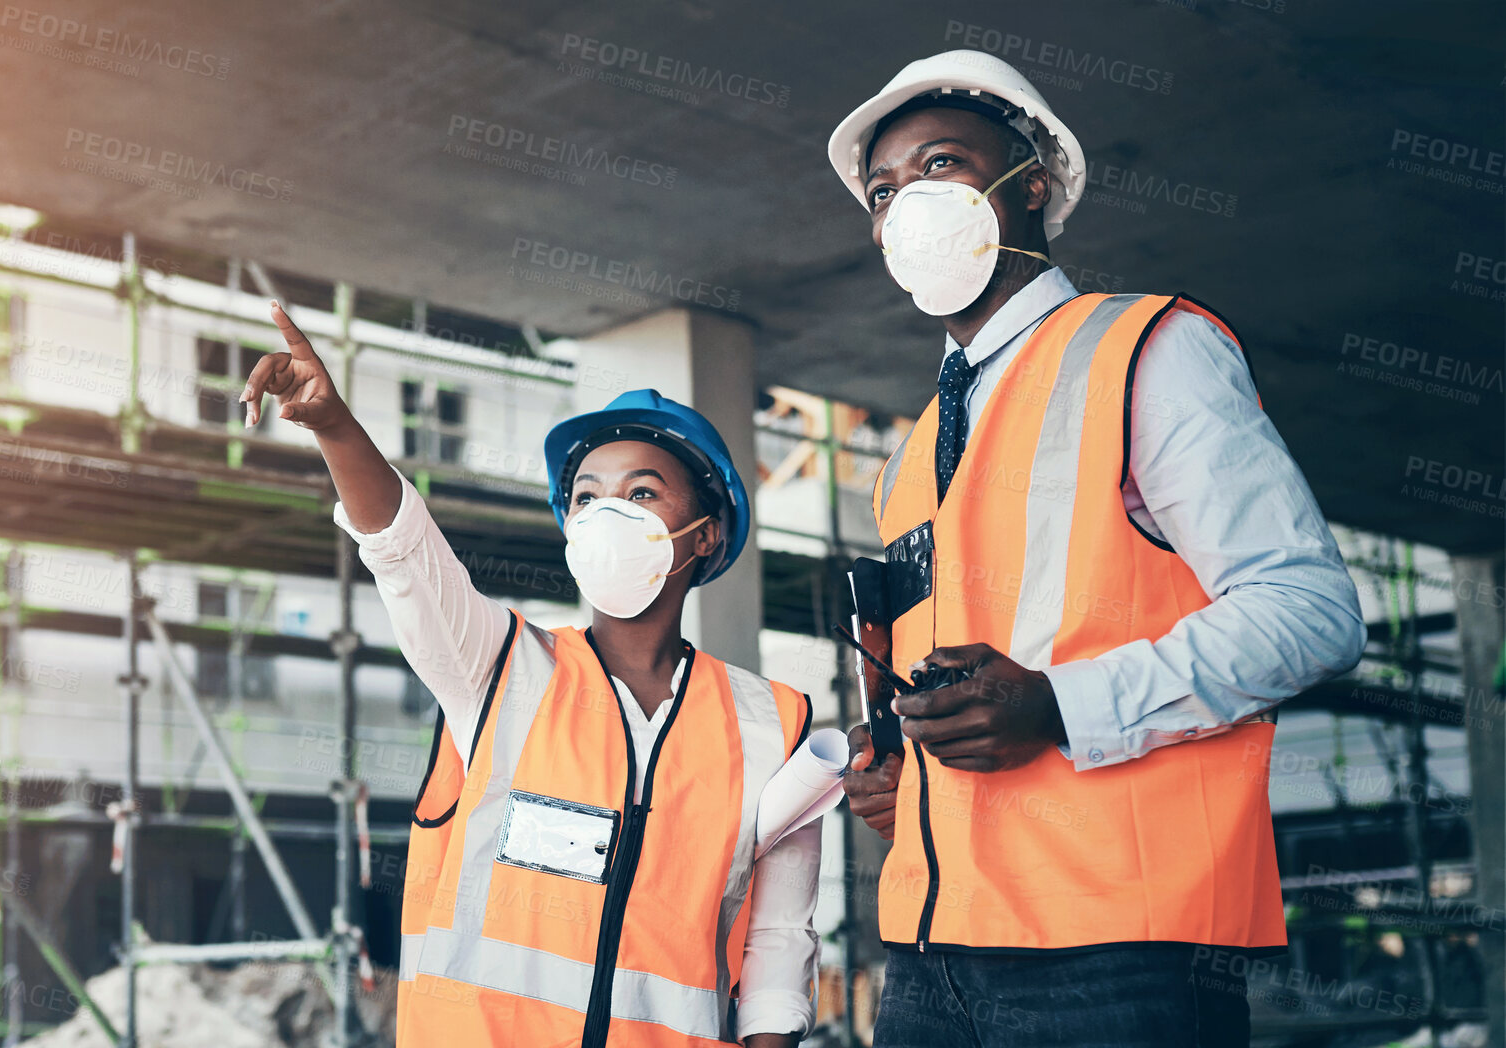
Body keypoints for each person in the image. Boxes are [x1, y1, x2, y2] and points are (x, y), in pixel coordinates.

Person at [825, 50, 1367, 1046]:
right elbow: (970, 666)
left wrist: (1061, 705)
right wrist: (906, 777)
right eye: (882, 190)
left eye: (938, 165)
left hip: (1115, 950)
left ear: (1028, 184)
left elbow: (1309, 611)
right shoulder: (906, 462)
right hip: (926, 953)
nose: (904, 204)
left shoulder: (1142, 349)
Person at [239, 302, 820, 1047]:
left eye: (642, 493)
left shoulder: (774, 722)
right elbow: (406, 556)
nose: (607, 513)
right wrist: (336, 429)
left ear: (703, 535)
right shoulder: (499, 668)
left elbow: (777, 947)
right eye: (586, 497)